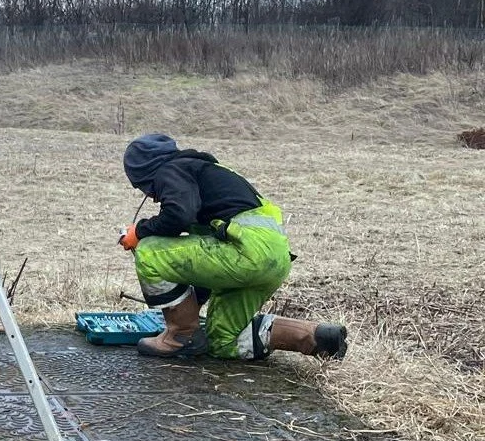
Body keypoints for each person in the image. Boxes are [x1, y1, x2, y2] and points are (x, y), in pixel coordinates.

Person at [118, 134, 347, 363]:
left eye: (145, 187)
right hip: (273, 259)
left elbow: (178, 214)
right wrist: (192, 305)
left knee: (149, 251)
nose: (153, 196)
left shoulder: (172, 169)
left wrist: (139, 232)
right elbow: (203, 258)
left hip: (244, 252)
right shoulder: (210, 178)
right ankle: (315, 337)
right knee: (222, 341)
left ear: (145, 173)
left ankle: (182, 336)